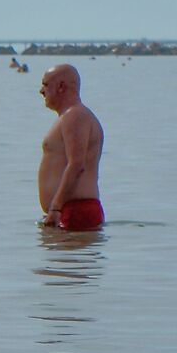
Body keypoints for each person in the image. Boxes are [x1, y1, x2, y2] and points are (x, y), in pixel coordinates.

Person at [37, 64, 105, 230]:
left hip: (74, 211)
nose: (41, 91)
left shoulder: (75, 116)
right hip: (68, 211)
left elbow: (76, 165)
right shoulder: (70, 116)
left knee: (67, 257)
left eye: (45, 84)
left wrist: (56, 208)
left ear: (61, 86)